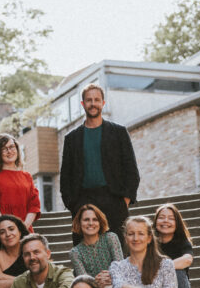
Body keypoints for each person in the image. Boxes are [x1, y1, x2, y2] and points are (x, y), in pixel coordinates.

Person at [59, 83, 140, 245]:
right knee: (85, 251)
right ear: (83, 104)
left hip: (113, 199)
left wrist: (123, 202)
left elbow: (131, 170)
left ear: (103, 103)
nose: (93, 103)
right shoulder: (71, 138)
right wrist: (73, 205)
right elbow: (65, 177)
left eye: (97, 100)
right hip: (83, 201)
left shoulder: (118, 133)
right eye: (89, 100)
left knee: (118, 251)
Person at [0, 134, 41, 255]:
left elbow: (34, 205)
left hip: (24, 228)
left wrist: (22, 227)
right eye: (4, 148)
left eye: (12, 147)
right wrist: (7, 227)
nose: (9, 151)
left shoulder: (26, 176)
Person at [68, 204, 123, 288]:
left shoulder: (111, 238)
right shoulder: (75, 252)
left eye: (95, 219)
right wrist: (97, 282)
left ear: (100, 222)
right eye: (86, 220)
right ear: (79, 223)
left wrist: (110, 276)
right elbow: (84, 282)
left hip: (116, 286)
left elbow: (120, 268)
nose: (91, 223)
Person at [154, 203, 198, 288]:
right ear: (155, 221)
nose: (166, 221)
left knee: (178, 272)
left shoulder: (182, 242)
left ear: (177, 223)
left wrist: (162, 267)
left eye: (171, 218)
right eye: (162, 217)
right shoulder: (149, 243)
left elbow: (187, 259)